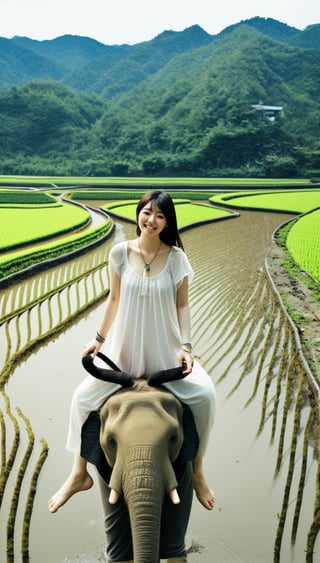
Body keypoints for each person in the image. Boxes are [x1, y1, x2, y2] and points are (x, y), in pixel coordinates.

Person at [48, 190, 216, 514]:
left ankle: (198, 472)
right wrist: (99, 340)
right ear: (138, 213)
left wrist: (186, 347)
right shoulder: (119, 253)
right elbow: (113, 299)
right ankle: (78, 473)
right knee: (81, 399)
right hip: (124, 350)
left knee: (206, 397)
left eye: (160, 216)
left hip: (164, 351)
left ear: (167, 222)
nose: (151, 221)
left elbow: (183, 306)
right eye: (147, 212)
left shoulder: (177, 258)